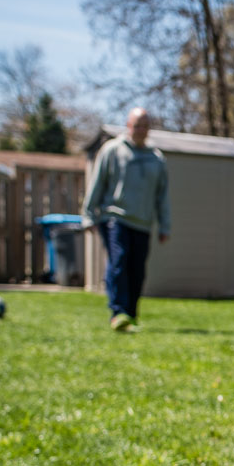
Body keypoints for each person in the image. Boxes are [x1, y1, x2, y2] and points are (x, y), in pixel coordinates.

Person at [83, 107, 170, 331]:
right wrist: (89, 214)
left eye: (145, 126)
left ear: (149, 129)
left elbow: (162, 195)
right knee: (119, 261)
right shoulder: (112, 150)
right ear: (128, 125)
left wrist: (164, 225)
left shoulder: (156, 158)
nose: (140, 130)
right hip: (115, 217)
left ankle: (130, 314)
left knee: (137, 270)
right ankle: (117, 312)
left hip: (143, 222)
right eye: (136, 125)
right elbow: (97, 183)